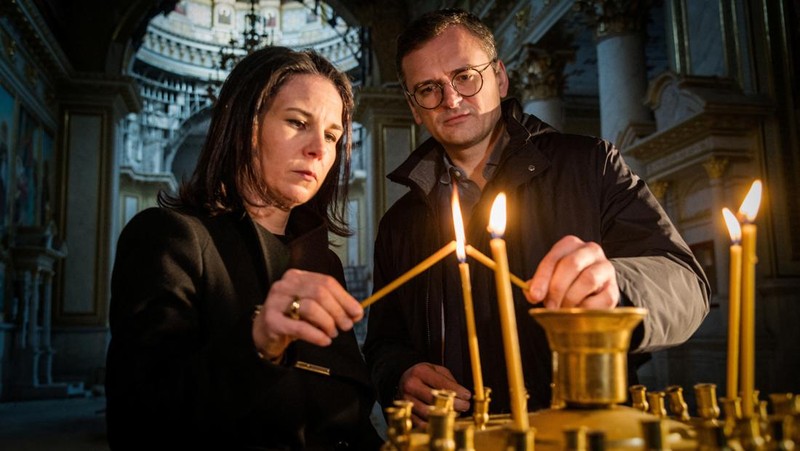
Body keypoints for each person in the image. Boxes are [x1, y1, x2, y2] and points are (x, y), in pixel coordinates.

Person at [362, 8, 711, 427]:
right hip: (460, 436)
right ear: (414, 107)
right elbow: (384, 341)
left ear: (500, 77)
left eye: (465, 76)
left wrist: (617, 287)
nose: (451, 99)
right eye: (428, 89)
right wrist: (399, 377)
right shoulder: (400, 223)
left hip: (580, 430)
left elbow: (686, 285)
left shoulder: (591, 165)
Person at [106, 47, 383, 450]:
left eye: (331, 135)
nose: (319, 151)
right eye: (296, 122)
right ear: (247, 128)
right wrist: (258, 341)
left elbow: (346, 418)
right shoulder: (169, 239)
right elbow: (139, 423)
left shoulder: (324, 264)